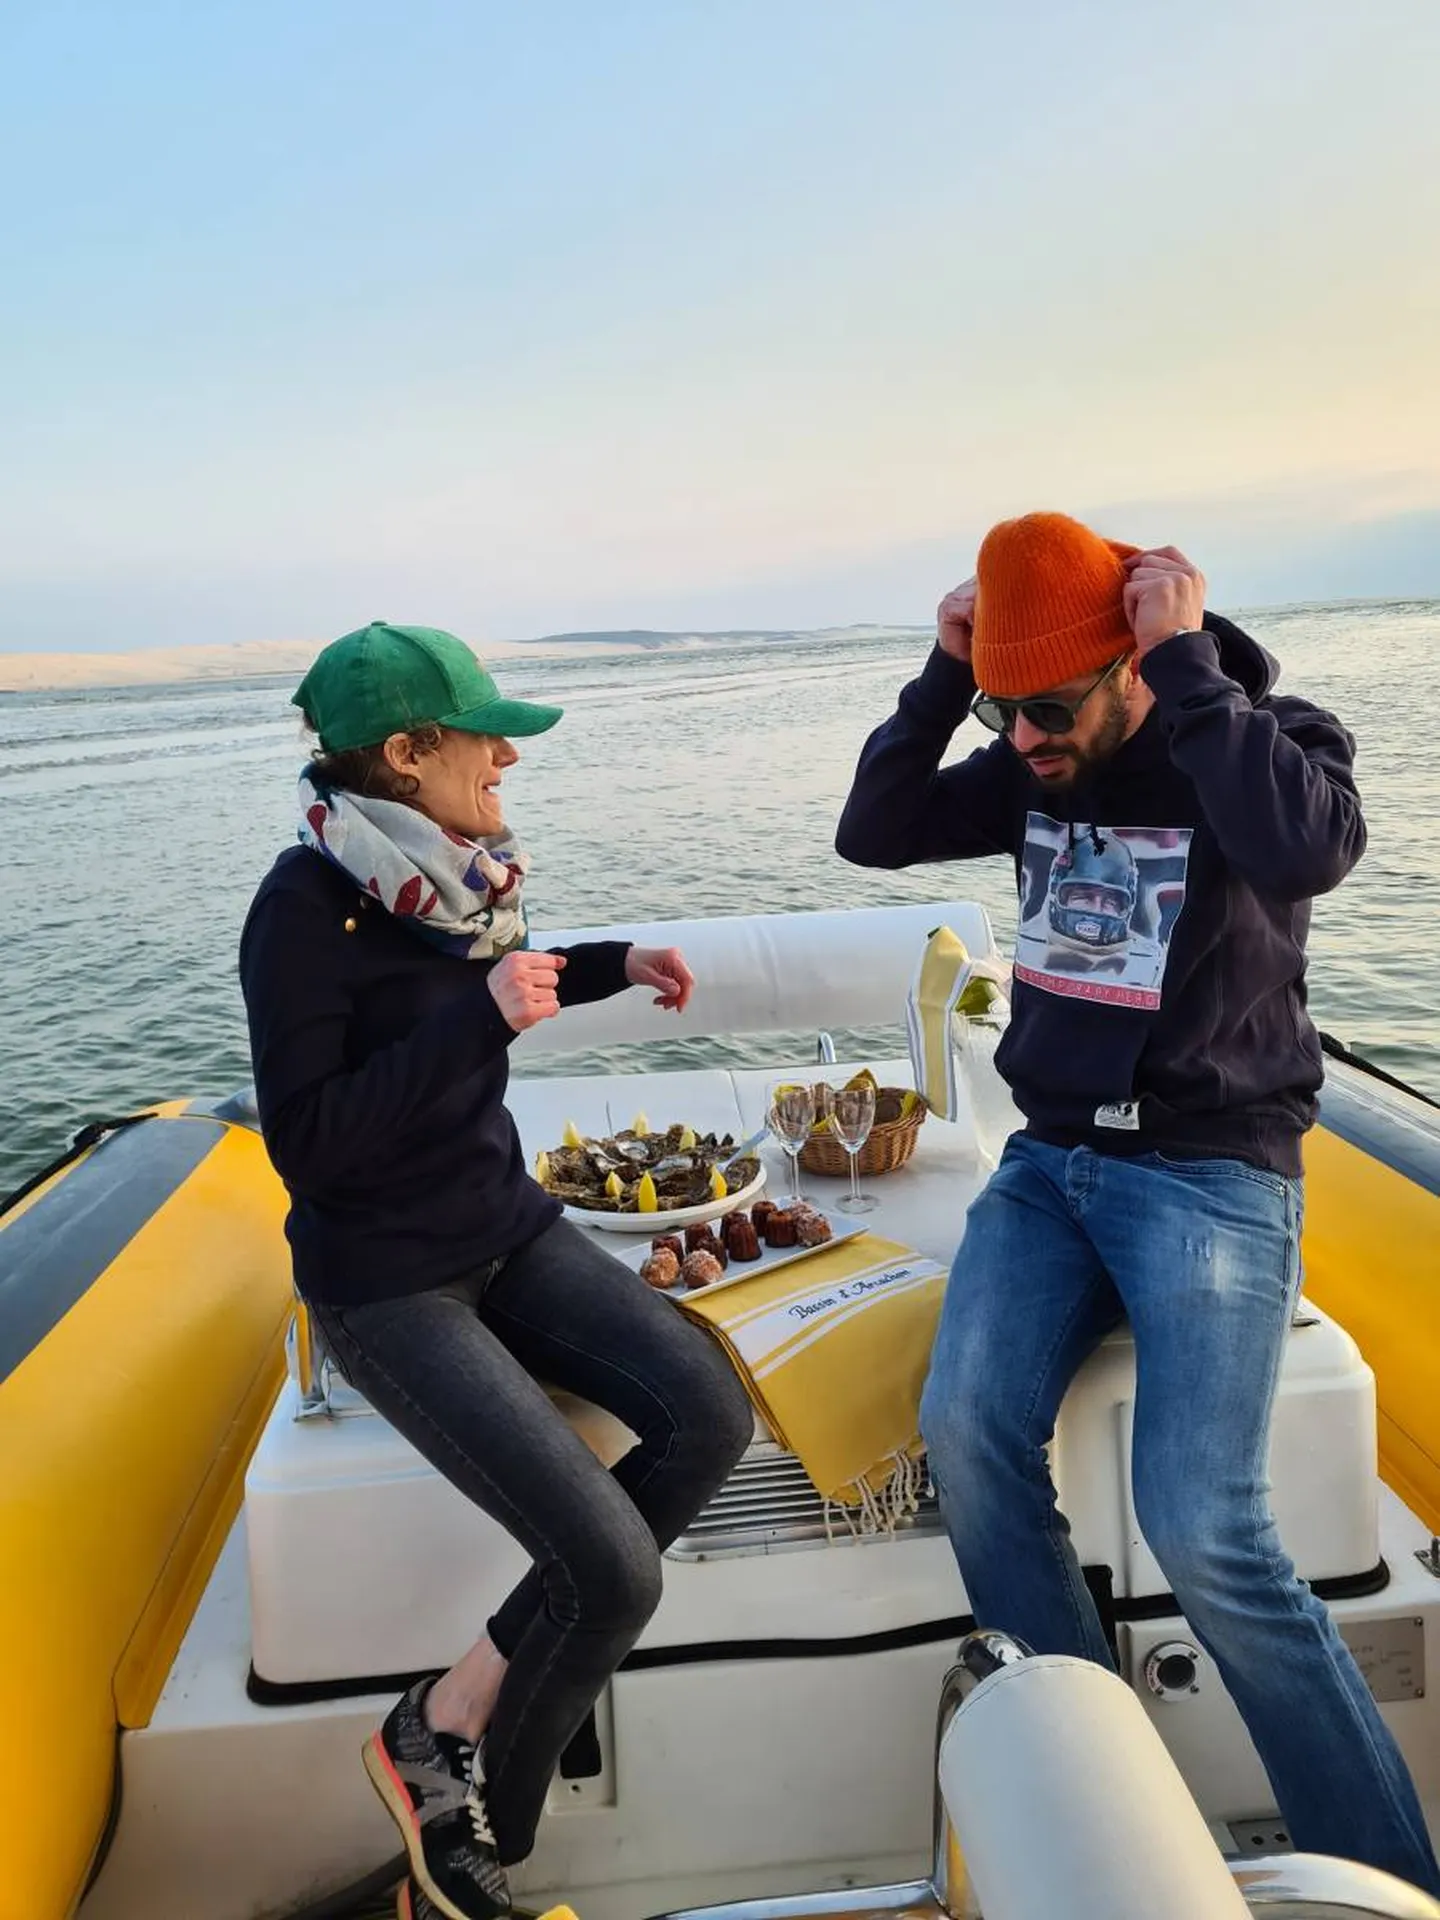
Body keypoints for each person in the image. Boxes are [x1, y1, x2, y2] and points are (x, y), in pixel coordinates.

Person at [836, 513, 1440, 1894]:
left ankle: (1388, 1875)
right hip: (1050, 1171)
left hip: (1213, 1174)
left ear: (1130, 661)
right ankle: (1096, 1782)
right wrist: (948, 687)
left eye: (1048, 707)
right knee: (969, 1436)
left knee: (1206, 1524)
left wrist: (1190, 671)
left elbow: (1307, 854)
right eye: (1004, 708)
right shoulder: (1026, 764)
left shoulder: (1264, 738)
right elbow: (871, 832)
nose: (1025, 738)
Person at [239, 623, 754, 1920]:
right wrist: (488, 1018)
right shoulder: (300, 912)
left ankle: (447, 1725)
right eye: (484, 734)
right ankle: (476, 1845)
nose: (508, 757)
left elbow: (501, 977)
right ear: (407, 756)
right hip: (387, 1281)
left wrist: (611, 965)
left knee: (711, 1413)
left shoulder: (446, 877)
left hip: (504, 1228)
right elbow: (309, 1145)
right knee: (613, 1570)